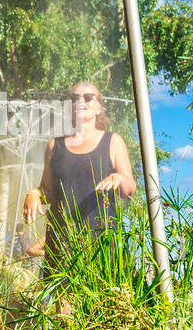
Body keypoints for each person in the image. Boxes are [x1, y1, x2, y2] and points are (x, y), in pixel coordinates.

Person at [22, 82, 137, 271]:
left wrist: (119, 178)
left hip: (102, 242)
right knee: (62, 300)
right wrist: (34, 192)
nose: (81, 101)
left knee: (103, 300)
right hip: (61, 242)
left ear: (99, 106)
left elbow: (129, 189)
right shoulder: (54, 146)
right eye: (75, 98)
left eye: (88, 97)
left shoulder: (113, 141)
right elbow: (48, 191)